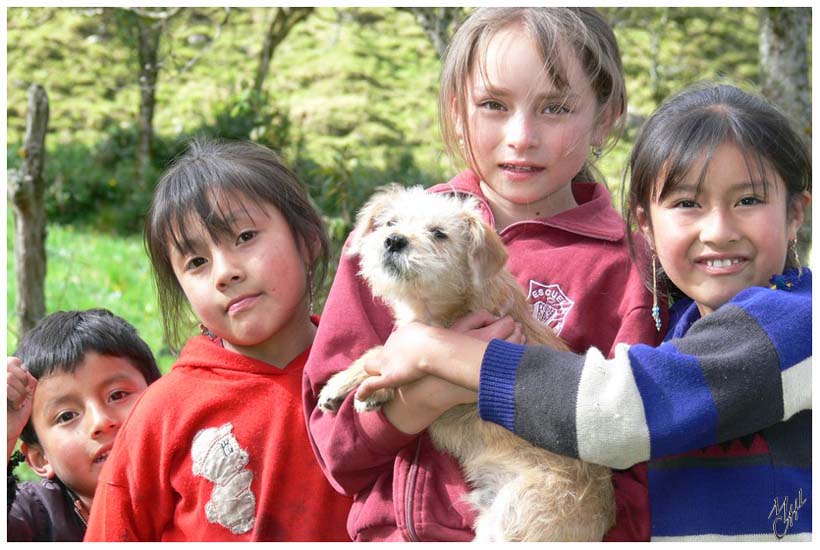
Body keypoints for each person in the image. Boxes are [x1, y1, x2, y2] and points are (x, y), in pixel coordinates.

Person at [356, 83, 812, 541]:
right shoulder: (678, 326)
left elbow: (623, 411)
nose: (718, 230)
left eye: (748, 200)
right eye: (687, 203)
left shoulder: (799, 325)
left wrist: (436, 350)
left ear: (796, 212)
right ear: (644, 225)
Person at [304, 7, 662, 541]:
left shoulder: (629, 269)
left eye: (556, 108)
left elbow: (638, 472)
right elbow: (335, 452)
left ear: (606, 117)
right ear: (456, 111)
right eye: (493, 104)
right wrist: (429, 393)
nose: (521, 136)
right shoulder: (386, 245)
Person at [83, 139, 352, 541]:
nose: (224, 273)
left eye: (245, 237)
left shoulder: (370, 375)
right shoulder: (163, 415)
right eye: (197, 262)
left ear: (309, 240)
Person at [6, 308, 161, 542]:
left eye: (117, 395)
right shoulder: (32, 515)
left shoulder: (204, 472)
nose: (100, 421)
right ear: (41, 458)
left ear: (164, 397)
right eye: (67, 416)